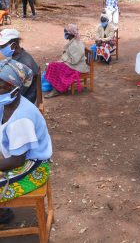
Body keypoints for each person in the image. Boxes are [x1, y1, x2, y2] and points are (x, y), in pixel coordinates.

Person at [0, 59, 52, 224]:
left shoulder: (21, 118)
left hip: (34, 165)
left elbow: (17, 160)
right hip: (17, 157)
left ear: (14, 87)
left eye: (0, 85)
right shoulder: (7, 104)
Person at [44, 24, 89, 98]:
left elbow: (74, 60)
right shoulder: (72, 41)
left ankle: (57, 90)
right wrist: (64, 58)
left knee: (54, 67)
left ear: (70, 34)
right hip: (73, 64)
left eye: (66, 33)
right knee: (53, 65)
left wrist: (64, 58)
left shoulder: (75, 45)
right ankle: (56, 88)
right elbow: (69, 56)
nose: (65, 35)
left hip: (77, 67)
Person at [0, 29, 39, 104]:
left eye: (3, 46)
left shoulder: (24, 64)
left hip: (23, 100)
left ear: (13, 45)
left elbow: (16, 93)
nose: (1, 49)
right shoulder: (19, 57)